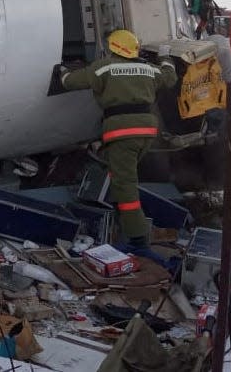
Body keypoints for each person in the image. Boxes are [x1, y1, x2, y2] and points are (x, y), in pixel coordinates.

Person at [59, 30, 176, 257]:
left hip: (123, 132)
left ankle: (137, 240)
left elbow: (69, 82)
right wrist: (166, 57)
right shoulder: (148, 69)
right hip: (146, 132)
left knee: (125, 185)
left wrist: (62, 70)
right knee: (119, 175)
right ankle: (120, 222)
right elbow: (169, 77)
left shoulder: (104, 67)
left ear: (113, 48)